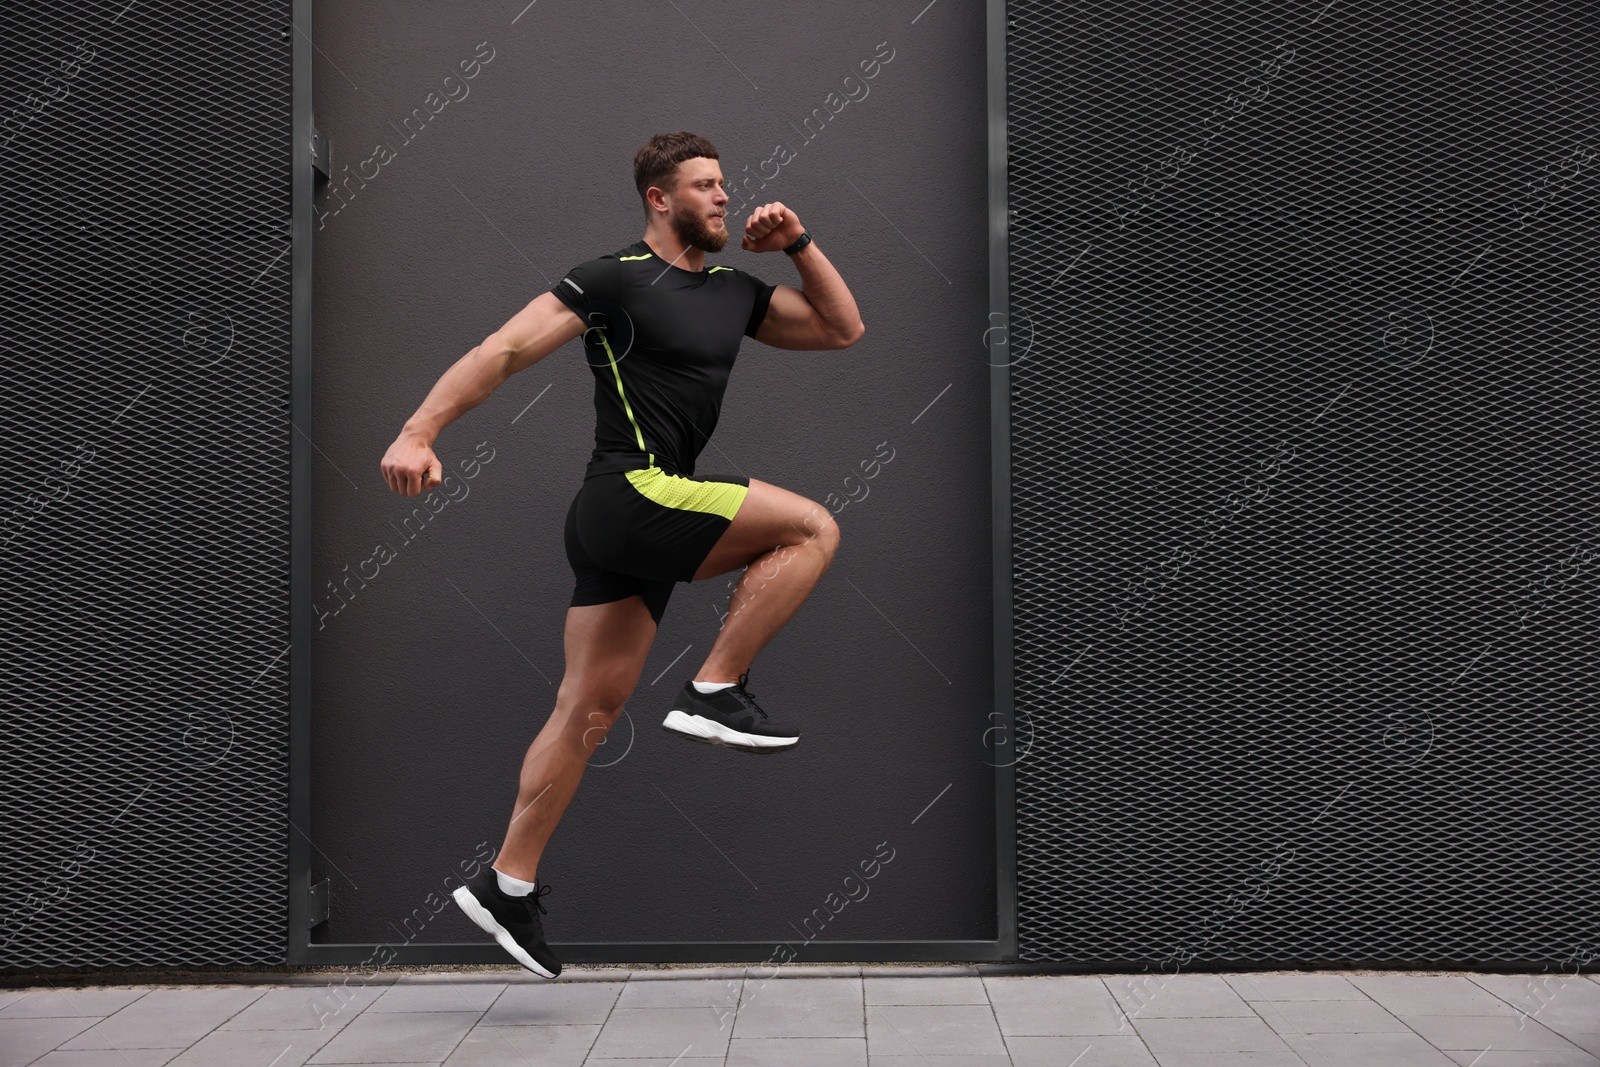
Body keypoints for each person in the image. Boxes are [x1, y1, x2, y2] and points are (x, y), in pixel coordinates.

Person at [378, 131, 866, 977]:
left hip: (638, 513)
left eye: (725, 184)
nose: (722, 197)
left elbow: (841, 328)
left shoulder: (734, 292)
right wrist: (420, 430)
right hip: (631, 492)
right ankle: (715, 690)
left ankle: (508, 884)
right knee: (812, 528)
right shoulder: (610, 278)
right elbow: (503, 349)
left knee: (587, 711)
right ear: (659, 197)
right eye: (704, 185)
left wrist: (798, 244)